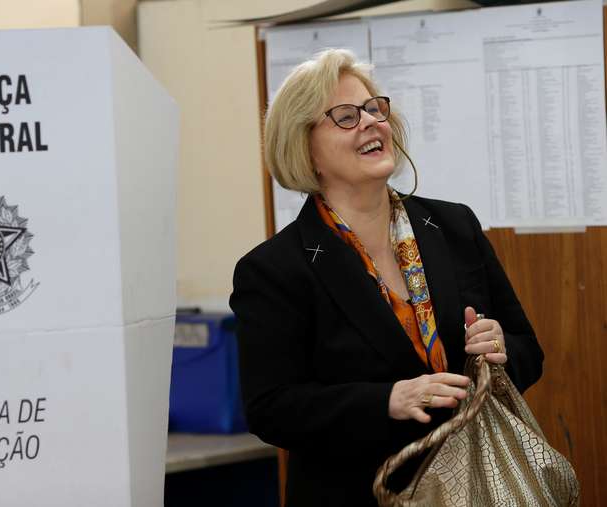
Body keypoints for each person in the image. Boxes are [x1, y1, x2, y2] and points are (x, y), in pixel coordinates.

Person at [229, 49, 544, 506]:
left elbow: (528, 351)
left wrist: (500, 349)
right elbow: (271, 409)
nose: (371, 122)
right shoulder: (274, 270)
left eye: (375, 108)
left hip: (477, 489)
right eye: (345, 116)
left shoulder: (455, 227)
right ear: (305, 148)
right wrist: (387, 401)